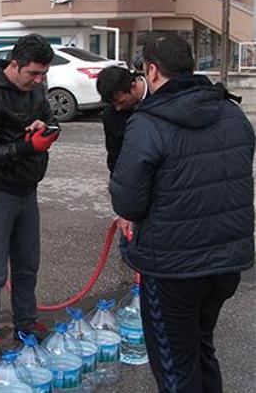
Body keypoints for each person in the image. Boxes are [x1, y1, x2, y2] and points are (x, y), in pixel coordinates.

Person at [110, 33, 254, 393]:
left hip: (174, 267)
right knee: (202, 347)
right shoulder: (232, 111)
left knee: (175, 366)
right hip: (226, 262)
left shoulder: (148, 122)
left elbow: (128, 203)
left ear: (153, 71)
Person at [0, 34, 60, 368]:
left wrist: (47, 128)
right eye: (33, 73)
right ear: (14, 64)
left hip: (26, 189)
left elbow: (52, 122)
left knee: (27, 266)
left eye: (43, 75)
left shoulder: (34, 88)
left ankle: (25, 322)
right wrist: (27, 147)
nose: (38, 81)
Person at [96, 65, 149, 241]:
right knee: (129, 244)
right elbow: (115, 159)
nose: (118, 108)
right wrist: (121, 202)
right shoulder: (111, 116)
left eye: (120, 101)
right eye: (113, 104)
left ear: (133, 85)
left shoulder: (161, 96)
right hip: (134, 188)